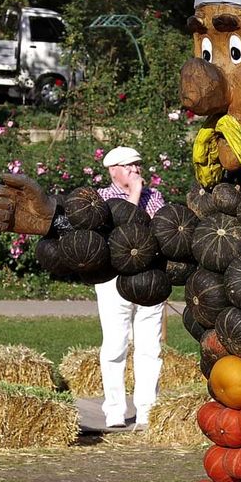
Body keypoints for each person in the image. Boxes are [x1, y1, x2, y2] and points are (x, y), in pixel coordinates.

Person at [93, 146, 165, 430]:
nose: (136, 171)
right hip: (114, 281)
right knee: (115, 345)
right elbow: (123, 233)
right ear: (113, 170)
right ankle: (114, 409)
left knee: (149, 347)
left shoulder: (155, 196)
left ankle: (147, 408)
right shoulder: (102, 199)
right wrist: (134, 195)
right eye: (130, 166)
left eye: (138, 165)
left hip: (148, 280)